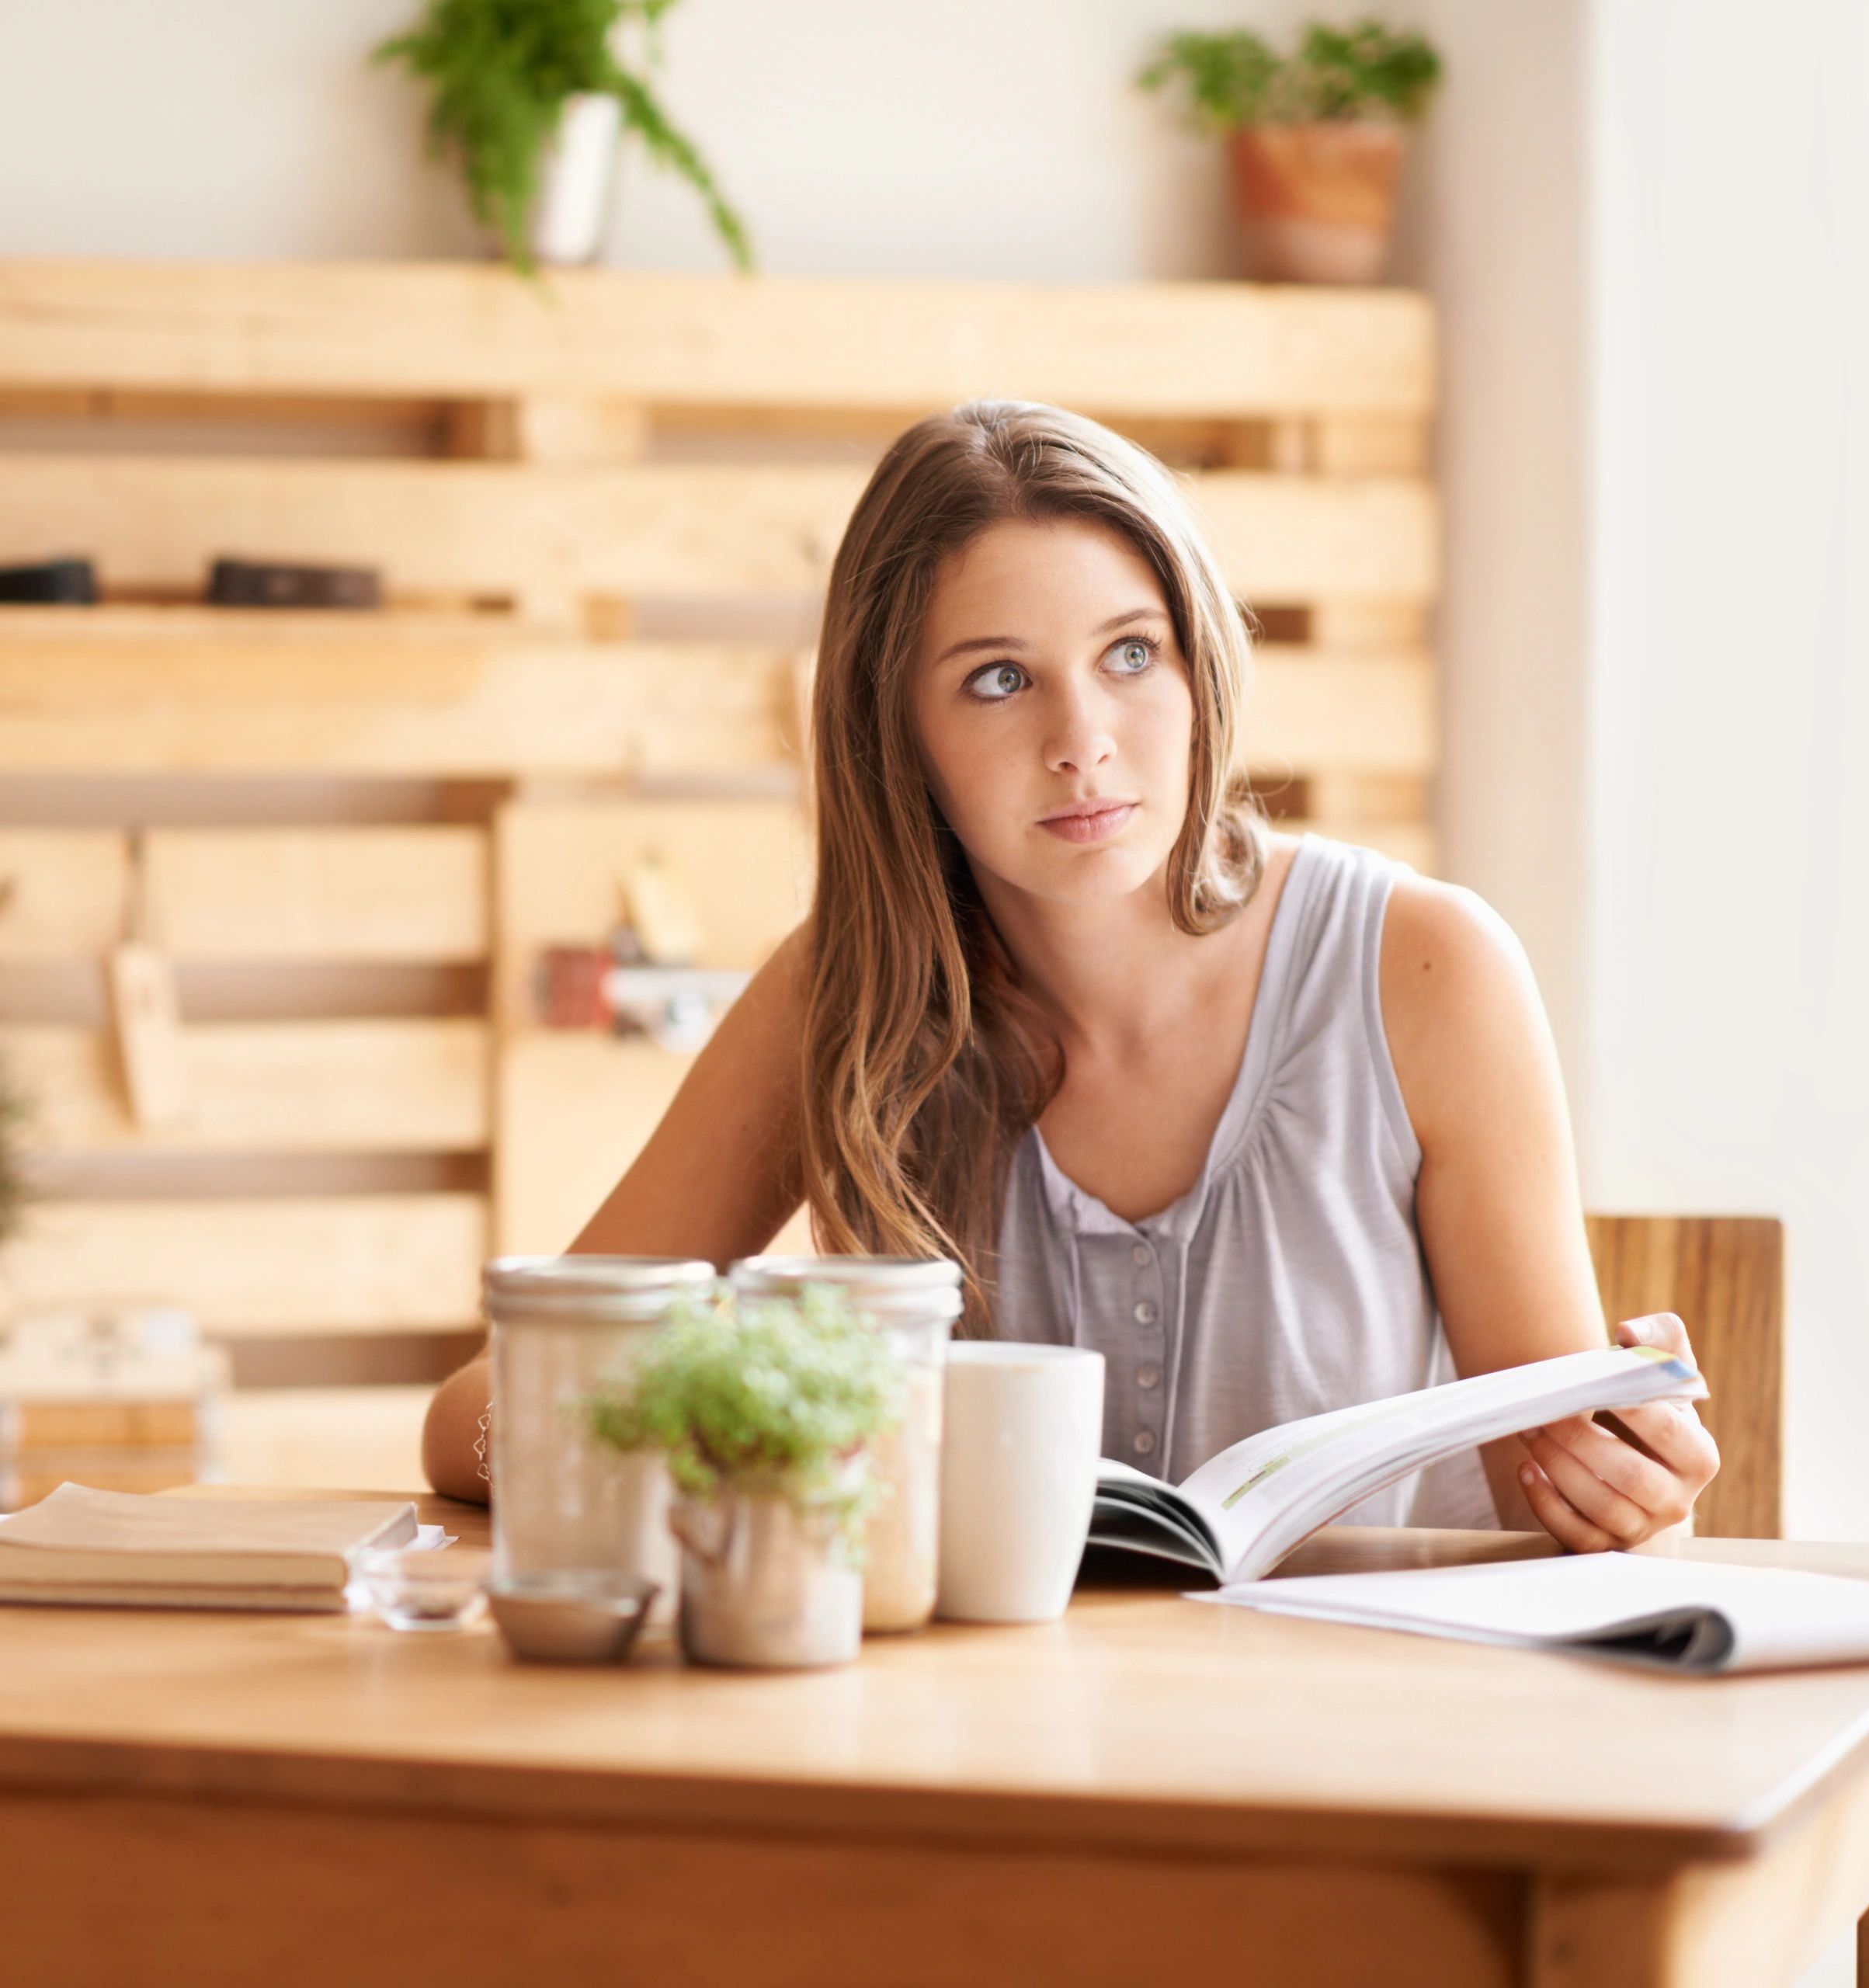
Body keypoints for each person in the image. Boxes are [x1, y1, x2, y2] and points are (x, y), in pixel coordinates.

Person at [424, 399, 1717, 1548]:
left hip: (1365, 1753)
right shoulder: (842, 1000)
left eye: (1130, 655)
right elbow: (473, 1423)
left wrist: (1626, 1488)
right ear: (901, 734)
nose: (1082, 743)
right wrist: (730, 1422)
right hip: (987, 1766)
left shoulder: (1430, 969)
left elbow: (1560, 1498)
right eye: (997, 681)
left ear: (1200, 670)